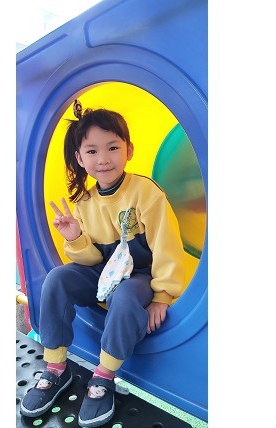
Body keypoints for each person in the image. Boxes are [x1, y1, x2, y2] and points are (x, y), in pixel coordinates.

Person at [20, 102, 186, 427]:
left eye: (113, 147)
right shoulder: (84, 201)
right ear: (80, 159)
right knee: (57, 278)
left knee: (125, 296)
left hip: (140, 273)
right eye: (92, 151)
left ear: (129, 150)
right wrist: (75, 237)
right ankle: (56, 367)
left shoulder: (145, 193)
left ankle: (104, 376)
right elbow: (92, 261)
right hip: (104, 272)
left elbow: (167, 246)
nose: (103, 158)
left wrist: (162, 296)